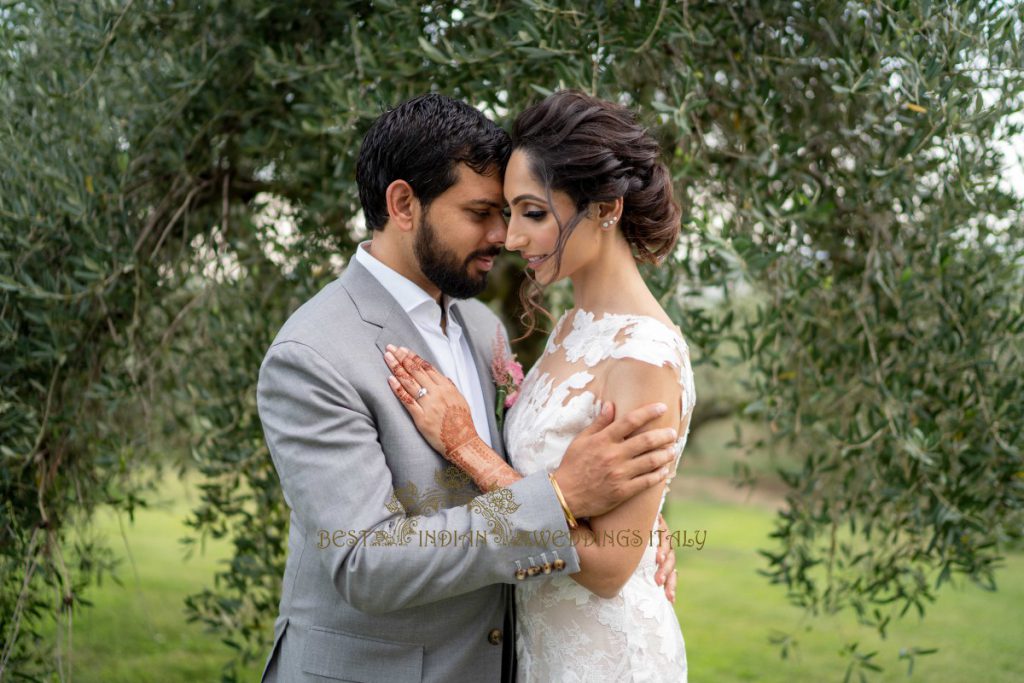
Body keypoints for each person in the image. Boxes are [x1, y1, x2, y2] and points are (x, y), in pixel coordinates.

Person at [256, 93, 681, 683]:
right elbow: (365, 563)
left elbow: (542, 462)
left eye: (511, 212)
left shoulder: (482, 330)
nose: (503, 235)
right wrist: (560, 499)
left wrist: (633, 513)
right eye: (482, 212)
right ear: (404, 204)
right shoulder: (314, 354)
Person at [383, 90, 694, 682]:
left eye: (532, 212)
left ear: (605, 207)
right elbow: (579, 485)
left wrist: (470, 450)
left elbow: (607, 569)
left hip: (604, 656)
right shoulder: (573, 327)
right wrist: (643, 515)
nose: (512, 238)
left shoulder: (645, 353)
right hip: (539, 644)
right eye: (505, 213)